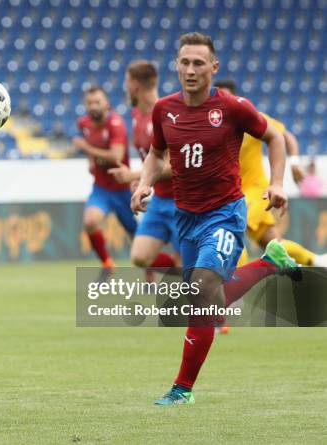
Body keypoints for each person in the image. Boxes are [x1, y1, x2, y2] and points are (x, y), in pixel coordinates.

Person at [131, 32, 299, 405]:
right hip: (185, 217)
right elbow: (157, 155)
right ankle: (270, 262)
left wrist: (277, 183)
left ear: (213, 67)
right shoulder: (164, 110)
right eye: (184, 62)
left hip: (224, 213)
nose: (190, 70)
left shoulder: (234, 107)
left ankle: (182, 390)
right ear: (176, 65)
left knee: (205, 289)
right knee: (210, 300)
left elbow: (275, 137)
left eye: (198, 63)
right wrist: (144, 184)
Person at [213, 80, 326, 267]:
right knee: (274, 245)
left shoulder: (249, 119)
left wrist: (294, 162)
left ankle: (235, 282)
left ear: (235, 99)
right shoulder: (212, 128)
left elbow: (284, 135)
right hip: (231, 195)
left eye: (227, 97)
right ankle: (314, 261)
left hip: (256, 190)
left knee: (231, 226)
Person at [108, 60, 180, 274]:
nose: (125, 87)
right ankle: (193, 277)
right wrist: (142, 181)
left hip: (182, 202)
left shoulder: (167, 116)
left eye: (127, 82)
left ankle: (209, 287)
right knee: (140, 256)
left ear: (135, 85)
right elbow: (150, 160)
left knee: (189, 263)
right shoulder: (136, 116)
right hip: (159, 201)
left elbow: (175, 167)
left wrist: (133, 175)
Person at [72, 86, 137, 275]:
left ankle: (149, 274)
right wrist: (91, 160)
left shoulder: (116, 124)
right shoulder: (84, 123)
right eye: (90, 102)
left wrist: (87, 149)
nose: (93, 106)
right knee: (90, 222)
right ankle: (107, 264)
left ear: (106, 104)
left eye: (97, 102)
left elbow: (116, 155)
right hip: (101, 189)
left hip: (123, 188)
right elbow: (88, 140)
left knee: (136, 236)